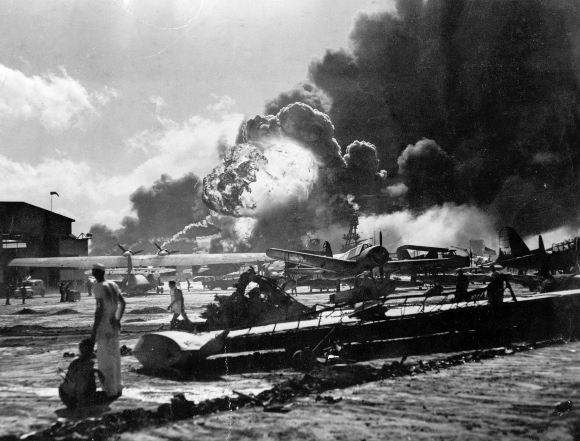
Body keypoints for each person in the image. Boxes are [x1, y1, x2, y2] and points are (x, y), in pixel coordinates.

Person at [90, 263, 125, 400]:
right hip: (113, 326)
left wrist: (94, 331)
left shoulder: (98, 287)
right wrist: (117, 319)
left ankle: (109, 390)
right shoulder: (113, 285)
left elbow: (99, 310)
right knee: (115, 357)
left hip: (104, 326)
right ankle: (117, 388)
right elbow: (123, 303)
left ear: (96, 273)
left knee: (104, 359)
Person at [58, 338, 107, 408]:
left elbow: (68, 381)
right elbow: (81, 385)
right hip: (77, 399)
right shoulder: (87, 364)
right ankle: (85, 401)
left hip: (68, 398)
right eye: (91, 349)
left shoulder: (74, 363)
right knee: (103, 396)